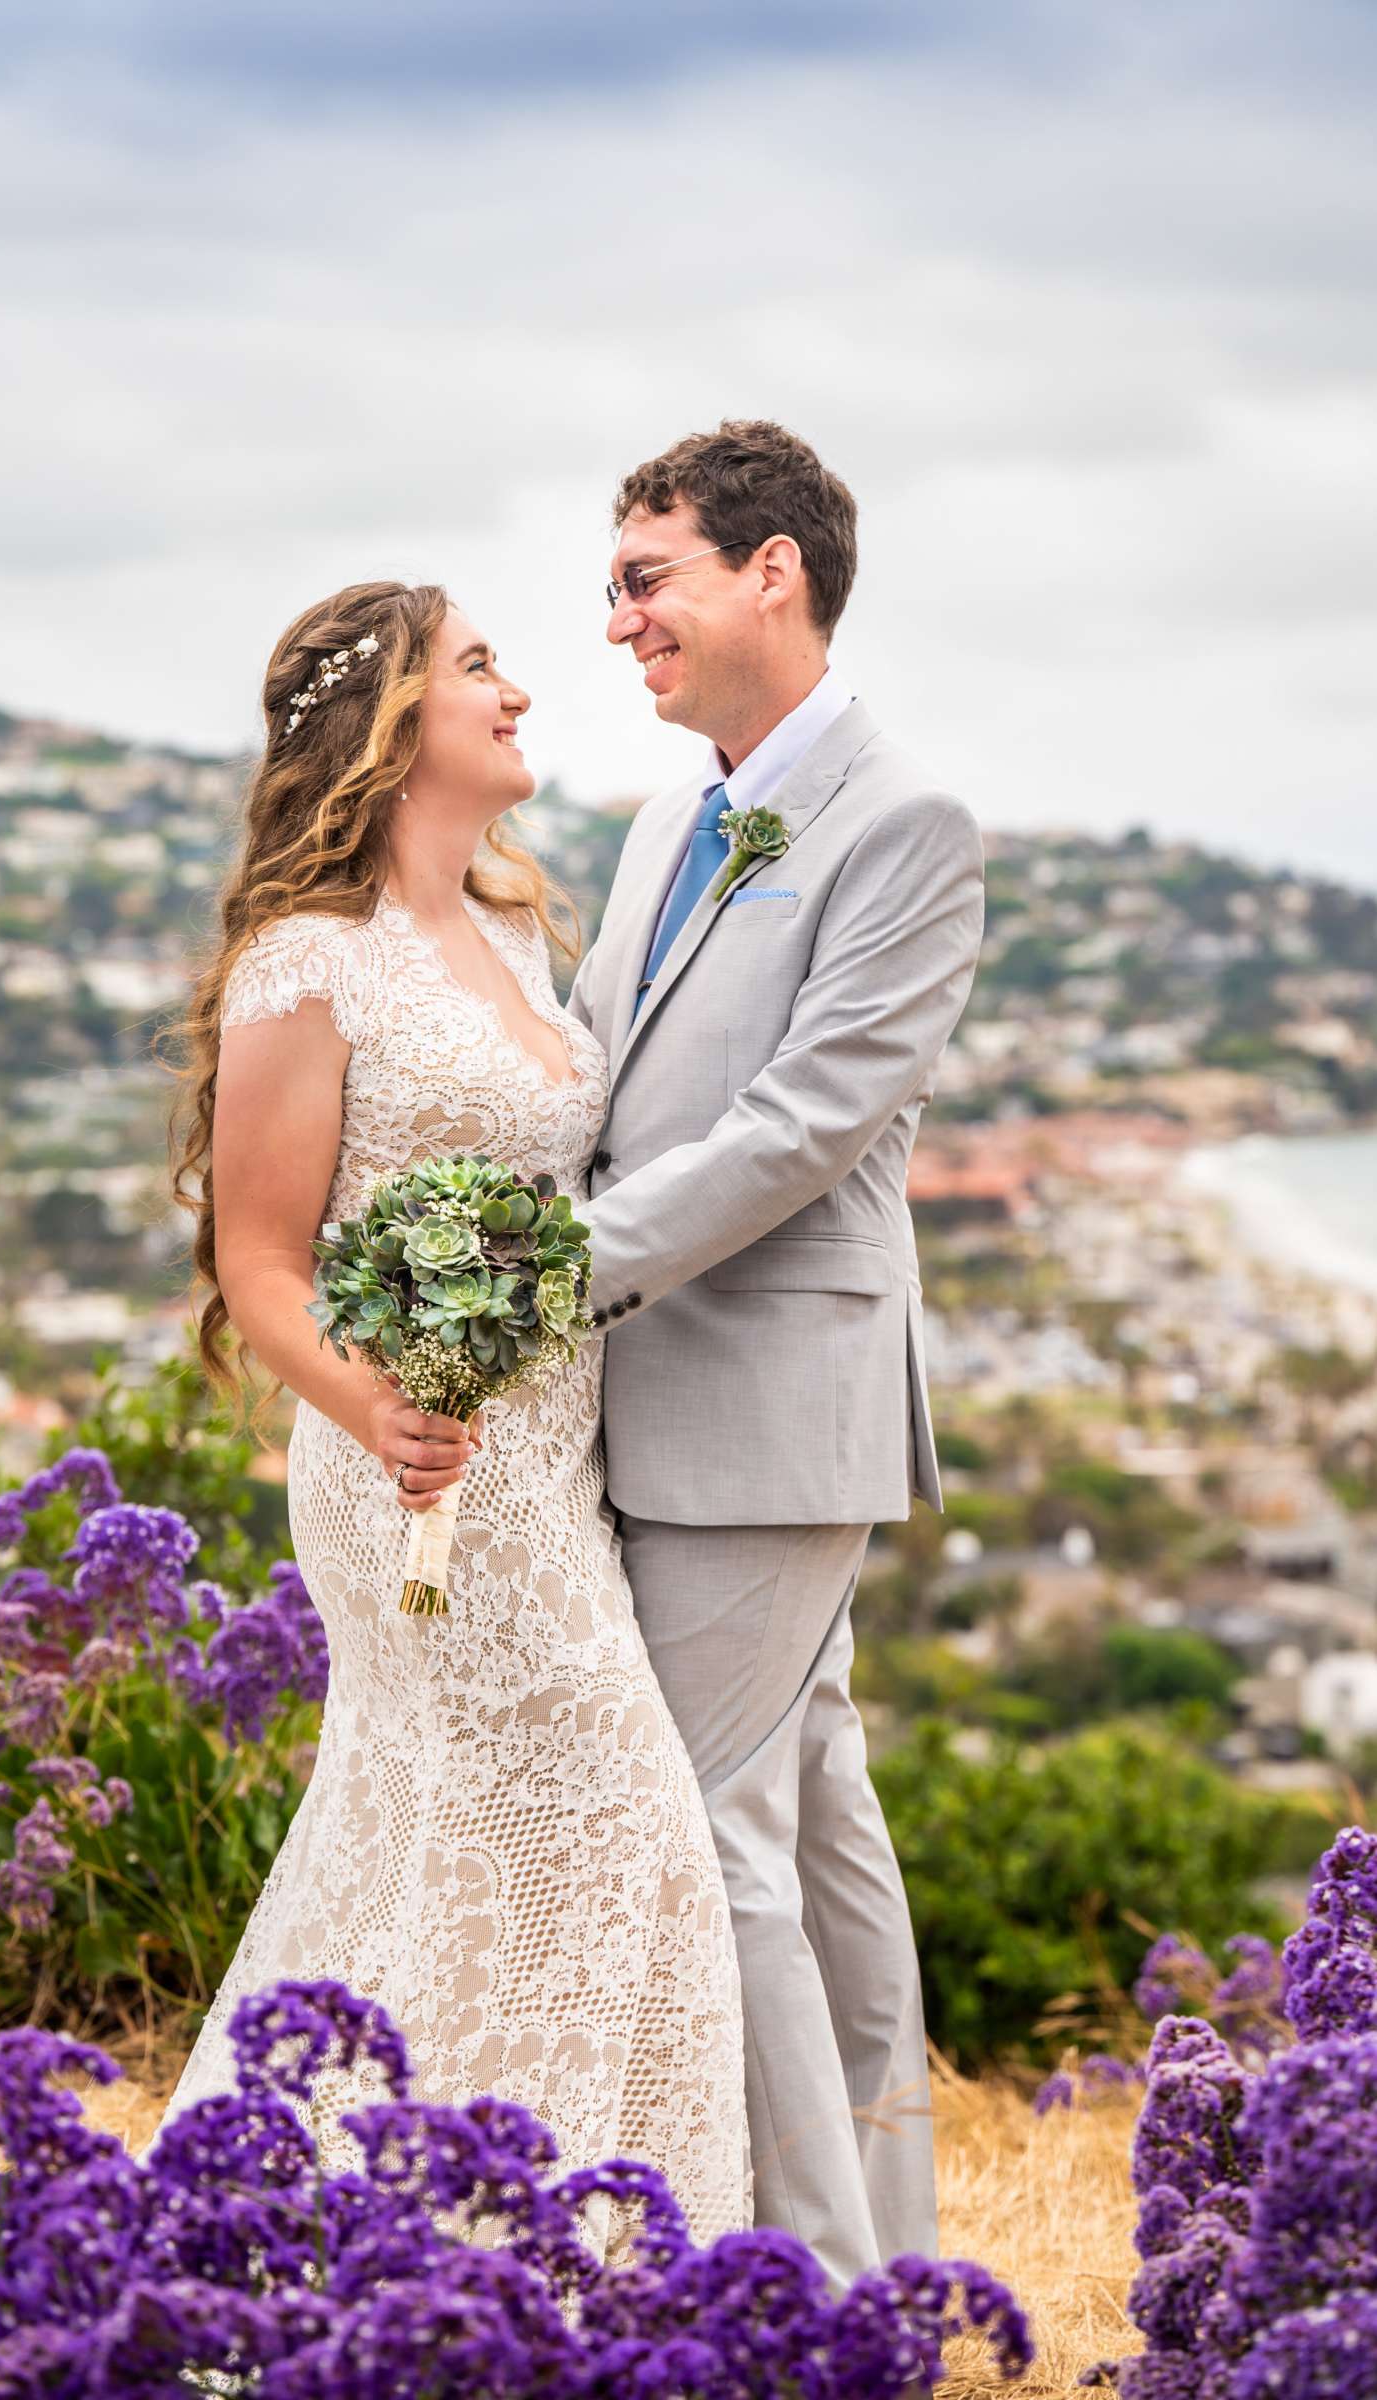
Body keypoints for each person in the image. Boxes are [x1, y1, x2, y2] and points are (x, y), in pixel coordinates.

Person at [154, 579, 747, 2251]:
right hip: (415, 1474)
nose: (520, 692)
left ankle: (364, 2243)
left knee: (460, 1843)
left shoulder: (506, 929)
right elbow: (259, 1260)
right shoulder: (306, 960)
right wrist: (374, 1407)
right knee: (605, 1826)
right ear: (392, 723)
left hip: (553, 1459)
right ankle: (505, 2256)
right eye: (480, 666)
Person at [569, 419, 986, 2285]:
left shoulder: (907, 822)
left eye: (644, 577)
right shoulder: (670, 811)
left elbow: (813, 1118)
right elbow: (600, 1075)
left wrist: (553, 1272)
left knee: (701, 1848)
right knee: (819, 1858)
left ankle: (797, 2302)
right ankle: (884, 2264)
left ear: (772, 573)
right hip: (654, 1401)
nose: (617, 623)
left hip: (768, 1414)